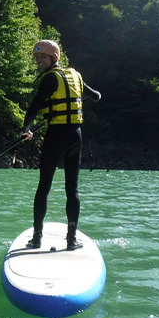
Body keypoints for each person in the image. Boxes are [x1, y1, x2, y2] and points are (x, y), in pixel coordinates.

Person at [20, 40, 101, 250]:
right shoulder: (76, 76)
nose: (39, 61)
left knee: (45, 187)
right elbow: (96, 96)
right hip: (75, 136)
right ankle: (71, 241)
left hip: (56, 136)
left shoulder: (50, 79)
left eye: (43, 57)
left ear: (54, 58)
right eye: (37, 58)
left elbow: (34, 107)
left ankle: (38, 239)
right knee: (71, 189)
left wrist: (26, 129)